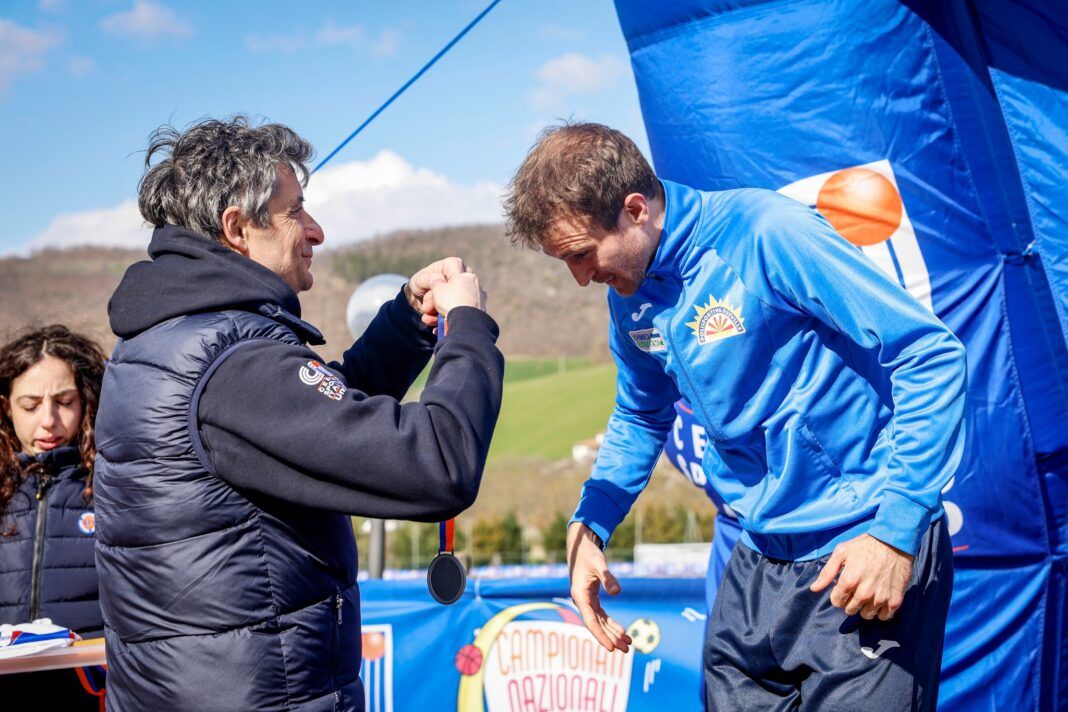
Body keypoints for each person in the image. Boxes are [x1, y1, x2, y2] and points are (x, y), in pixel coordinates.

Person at [504, 123, 966, 710]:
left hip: (862, 545)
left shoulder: (764, 232)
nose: (580, 277)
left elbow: (929, 354)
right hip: (758, 560)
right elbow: (641, 414)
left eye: (581, 253)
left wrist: (896, 534)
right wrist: (590, 525)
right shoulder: (629, 296)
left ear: (636, 210)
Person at [93, 117, 504, 711]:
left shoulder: (176, 341)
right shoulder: (232, 364)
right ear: (237, 228)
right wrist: (468, 328)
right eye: (296, 212)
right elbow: (435, 465)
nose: (316, 231)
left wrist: (408, 319)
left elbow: (314, 425)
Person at [0, 325, 107, 708]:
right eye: (30, 406)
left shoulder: (114, 485)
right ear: (6, 407)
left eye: (64, 402)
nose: (48, 420)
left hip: (93, 692)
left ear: (87, 402)